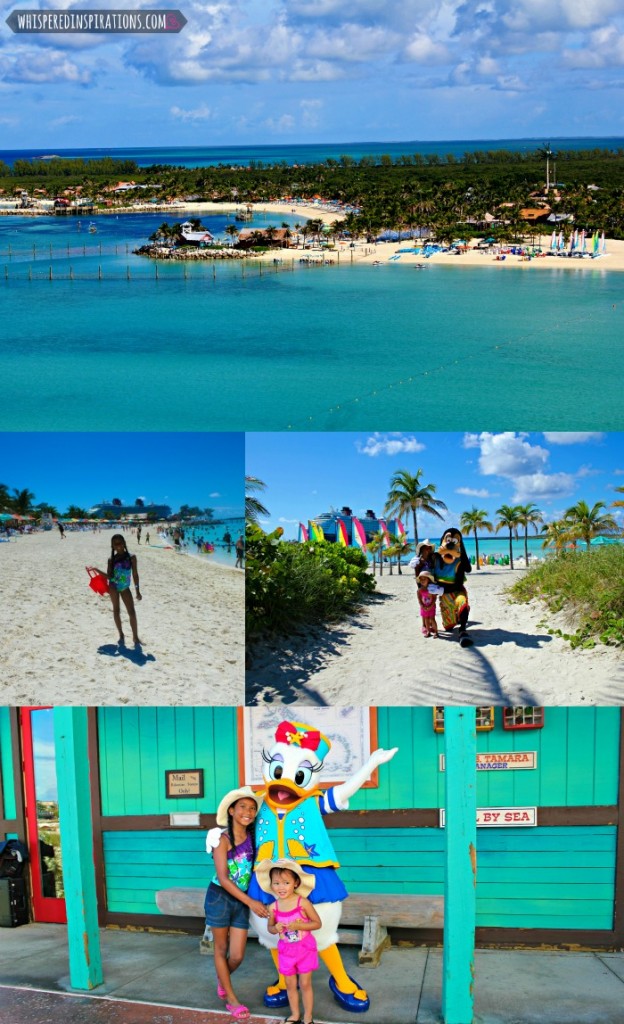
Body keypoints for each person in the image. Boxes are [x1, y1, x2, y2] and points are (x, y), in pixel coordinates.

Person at [205, 787, 270, 1022]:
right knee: (221, 950)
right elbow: (223, 877)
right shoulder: (222, 839)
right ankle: (231, 999)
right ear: (231, 810)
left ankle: (223, 980)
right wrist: (251, 902)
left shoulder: (253, 837)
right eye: (242, 806)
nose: (248, 811)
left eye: (252, 808)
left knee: (237, 956)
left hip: (241, 900)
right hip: (220, 897)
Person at [257, 859, 321, 1024]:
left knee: (305, 983)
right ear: (271, 885)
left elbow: (317, 923)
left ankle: (308, 1016)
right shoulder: (273, 907)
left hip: (305, 949)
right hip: (286, 951)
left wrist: (301, 925)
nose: (281, 887)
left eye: (286, 882)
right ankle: (295, 1014)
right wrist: (275, 928)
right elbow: (270, 927)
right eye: (276, 883)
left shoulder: (303, 903)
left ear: (295, 883)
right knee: (290, 984)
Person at [93, 534, 141, 646]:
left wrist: (137, 590)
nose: (118, 545)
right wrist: (97, 571)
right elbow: (110, 577)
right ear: (112, 546)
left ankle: (135, 637)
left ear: (124, 543)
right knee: (116, 610)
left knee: (132, 612)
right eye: (115, 544)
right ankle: (121, 634)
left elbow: (135, 574)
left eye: (120, 543)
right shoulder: (111, 560)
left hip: (125, 588)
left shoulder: (131, 557)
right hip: (113, 587)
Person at [432, 527, 472, 647]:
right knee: (448, 627)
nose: (450, 544)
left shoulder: (459, 560)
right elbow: (424, 569)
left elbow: (468, 569)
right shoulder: (436, 559)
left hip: (457, 591)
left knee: (462, 604)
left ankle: (463, 630)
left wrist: (461, 552)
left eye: (454, 541)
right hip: (444, 596)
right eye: (448, 540)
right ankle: (458, 617)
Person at [416, 571, 438, 638]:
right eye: (421, 579)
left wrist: (431, 606)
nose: (422, 581)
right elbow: (419, 600)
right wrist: (423, 606)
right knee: (426, 620)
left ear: (428, 579)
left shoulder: (432, 589)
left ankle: (436, 632)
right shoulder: (419, 590)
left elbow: (434, 598)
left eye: (424, 579)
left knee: (432, 619)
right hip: (423, 608)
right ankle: (428, 631)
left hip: (432, 607)